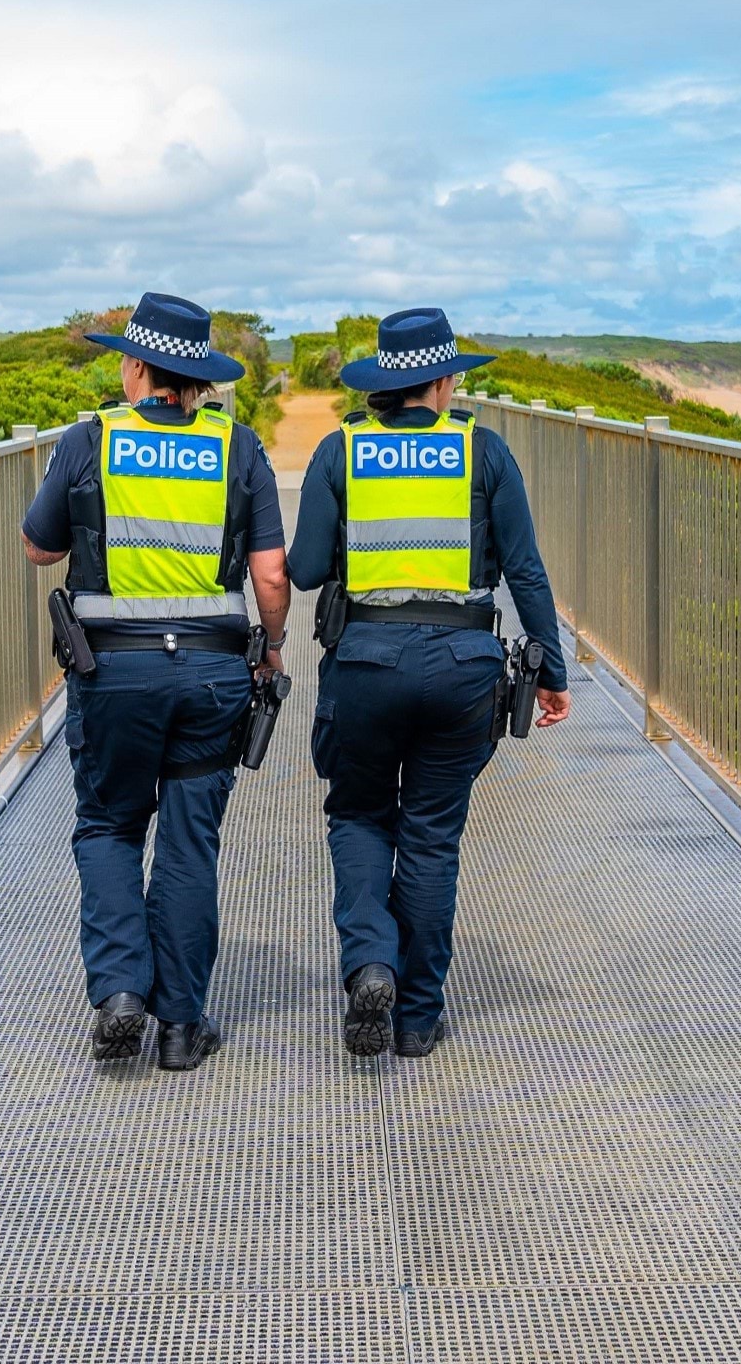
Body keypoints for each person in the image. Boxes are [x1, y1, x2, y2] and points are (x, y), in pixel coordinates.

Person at [287, 306, 570, 1059]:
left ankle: (370, 963)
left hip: (366, 665)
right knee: (432, 838)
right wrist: (554, 669)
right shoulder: (484, 453)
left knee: (358, 816)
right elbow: (525, 570)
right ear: (443, 382)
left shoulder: (340, 450)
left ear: (386, 381)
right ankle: (416, 1017)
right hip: (463, 669)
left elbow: (308, 569)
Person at [20, 292, 290, 1070]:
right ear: (198, 379)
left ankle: (118, 994)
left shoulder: (88, 440)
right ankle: (179, 1026)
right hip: (211, 676)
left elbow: (39, 550)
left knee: (108, 826)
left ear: (136, 368)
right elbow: (270, 575)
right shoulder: (238, 447)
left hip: (113, 676)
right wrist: (270, 648)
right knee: (187, 844)